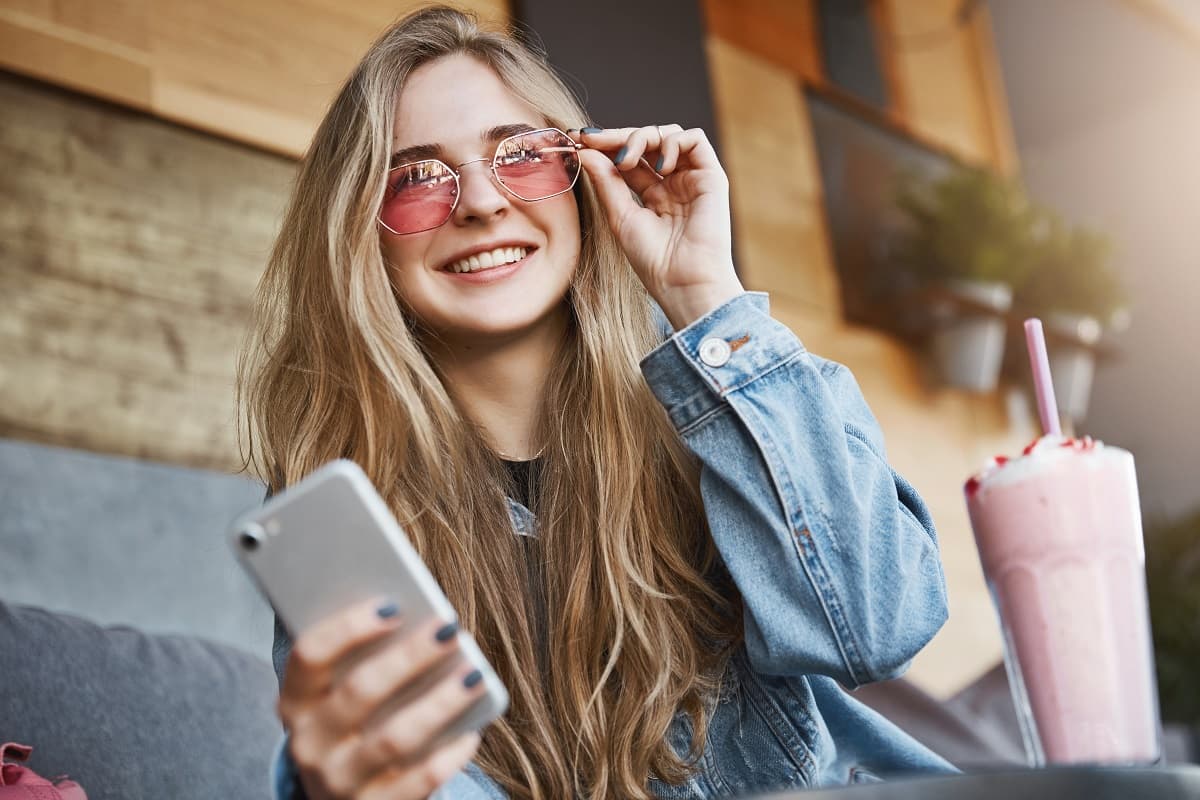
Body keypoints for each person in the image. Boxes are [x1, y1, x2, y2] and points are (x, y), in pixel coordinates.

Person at [237, 6, 953, 799]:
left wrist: (706, 296)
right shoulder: (344, 511)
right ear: (361, 233)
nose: (480, 202)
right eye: (416, 179)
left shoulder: (718, 402)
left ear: (581, 183)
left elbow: (876, 627)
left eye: (523, 155)